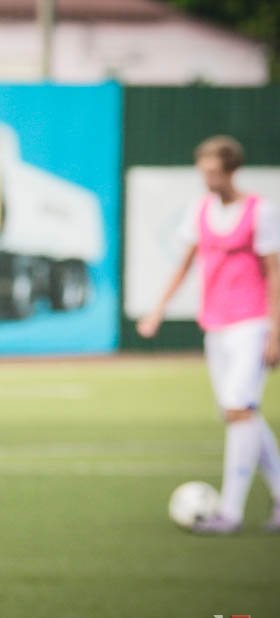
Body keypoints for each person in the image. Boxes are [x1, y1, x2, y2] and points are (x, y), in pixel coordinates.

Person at [137, 134, 280, 534]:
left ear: (232, 170)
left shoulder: (260, 212)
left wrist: (276, 331)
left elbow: (274, 273)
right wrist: (158, 309)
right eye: (203, 172)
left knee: (238, 409)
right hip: (215, 323)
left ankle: (230, 513)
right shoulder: (199, 211)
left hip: (252, 321)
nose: (208, 179)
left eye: (214, 172)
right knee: (241, 412)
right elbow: (185, 264)